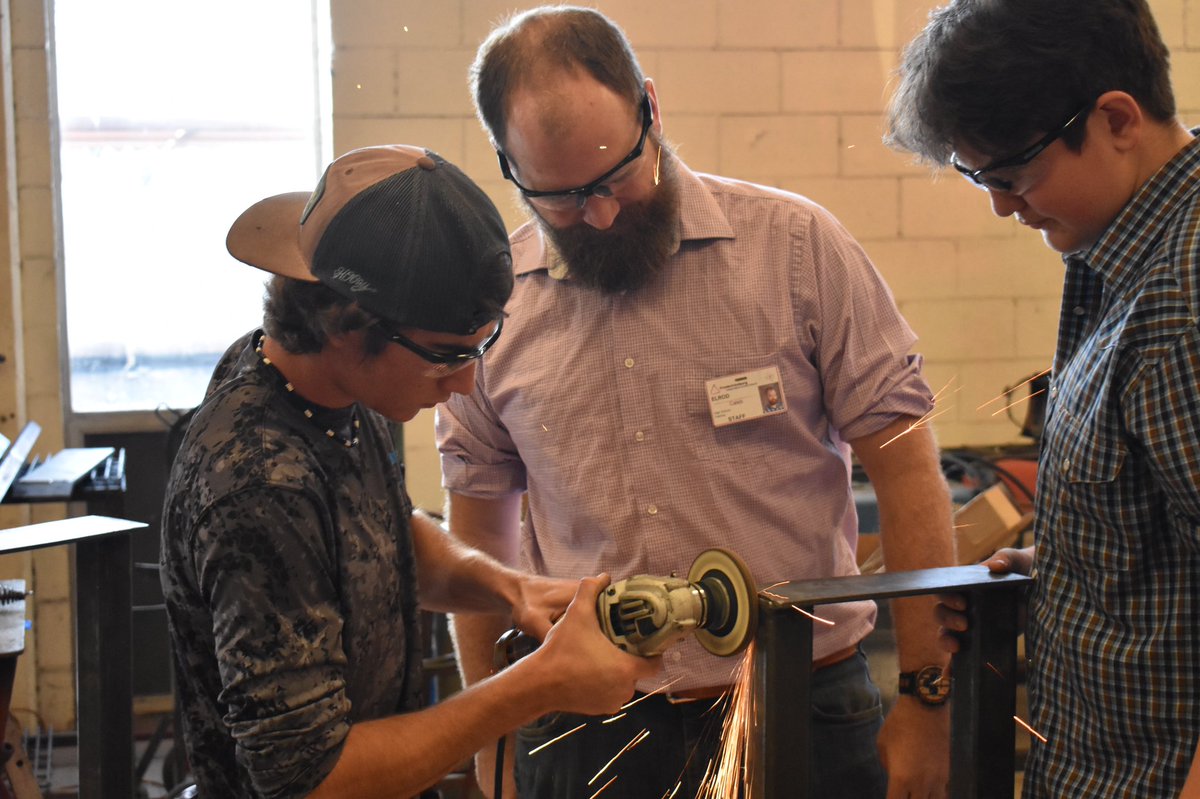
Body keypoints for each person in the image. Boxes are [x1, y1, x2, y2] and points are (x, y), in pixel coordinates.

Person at [435, 7, 957, 799]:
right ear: (509, 167)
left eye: (615, 178)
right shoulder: (496, 304)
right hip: (583, 731)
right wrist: (491, 735)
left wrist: (927, 699)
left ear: (651, 106)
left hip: (797, 708)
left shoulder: (796, 250)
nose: (601, 214)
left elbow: (908, 465)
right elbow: (478, 535)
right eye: (564, 197)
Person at [159, 144, 660, 799]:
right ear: (345, 323)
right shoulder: (260, 485)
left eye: (482, 345)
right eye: (446, 355)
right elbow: (312, 780)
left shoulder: (315, 386)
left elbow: (380, 534)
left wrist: (512, 589)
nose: (465, 381)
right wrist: (535, 685)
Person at [885, 1, 1200, 796]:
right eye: (980, 177)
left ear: (1117, 119)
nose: (1002, 205)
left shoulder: (1183, 298)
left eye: (1013, 174)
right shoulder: (1116, 251)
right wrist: (1073, 575)